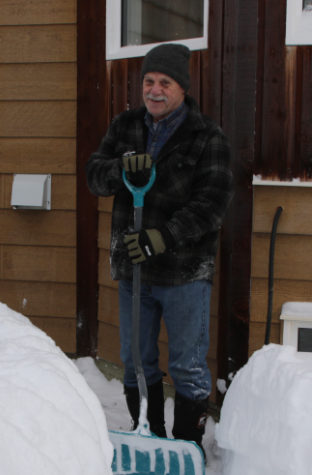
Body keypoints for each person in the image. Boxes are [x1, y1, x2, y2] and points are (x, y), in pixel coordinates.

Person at [84, 43, 233, 450]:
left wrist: (162, 237)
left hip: (183, 272)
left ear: (182, 88)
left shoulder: (207, 138)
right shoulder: (126, 126)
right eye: (148, 81)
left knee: (186, 364)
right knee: (135, 360)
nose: (154, 90)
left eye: (165, 82)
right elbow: (94, 177)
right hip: (134, 269)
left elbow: (212, 206)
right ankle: (146, 435)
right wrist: (119, 169)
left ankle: (185, 446)